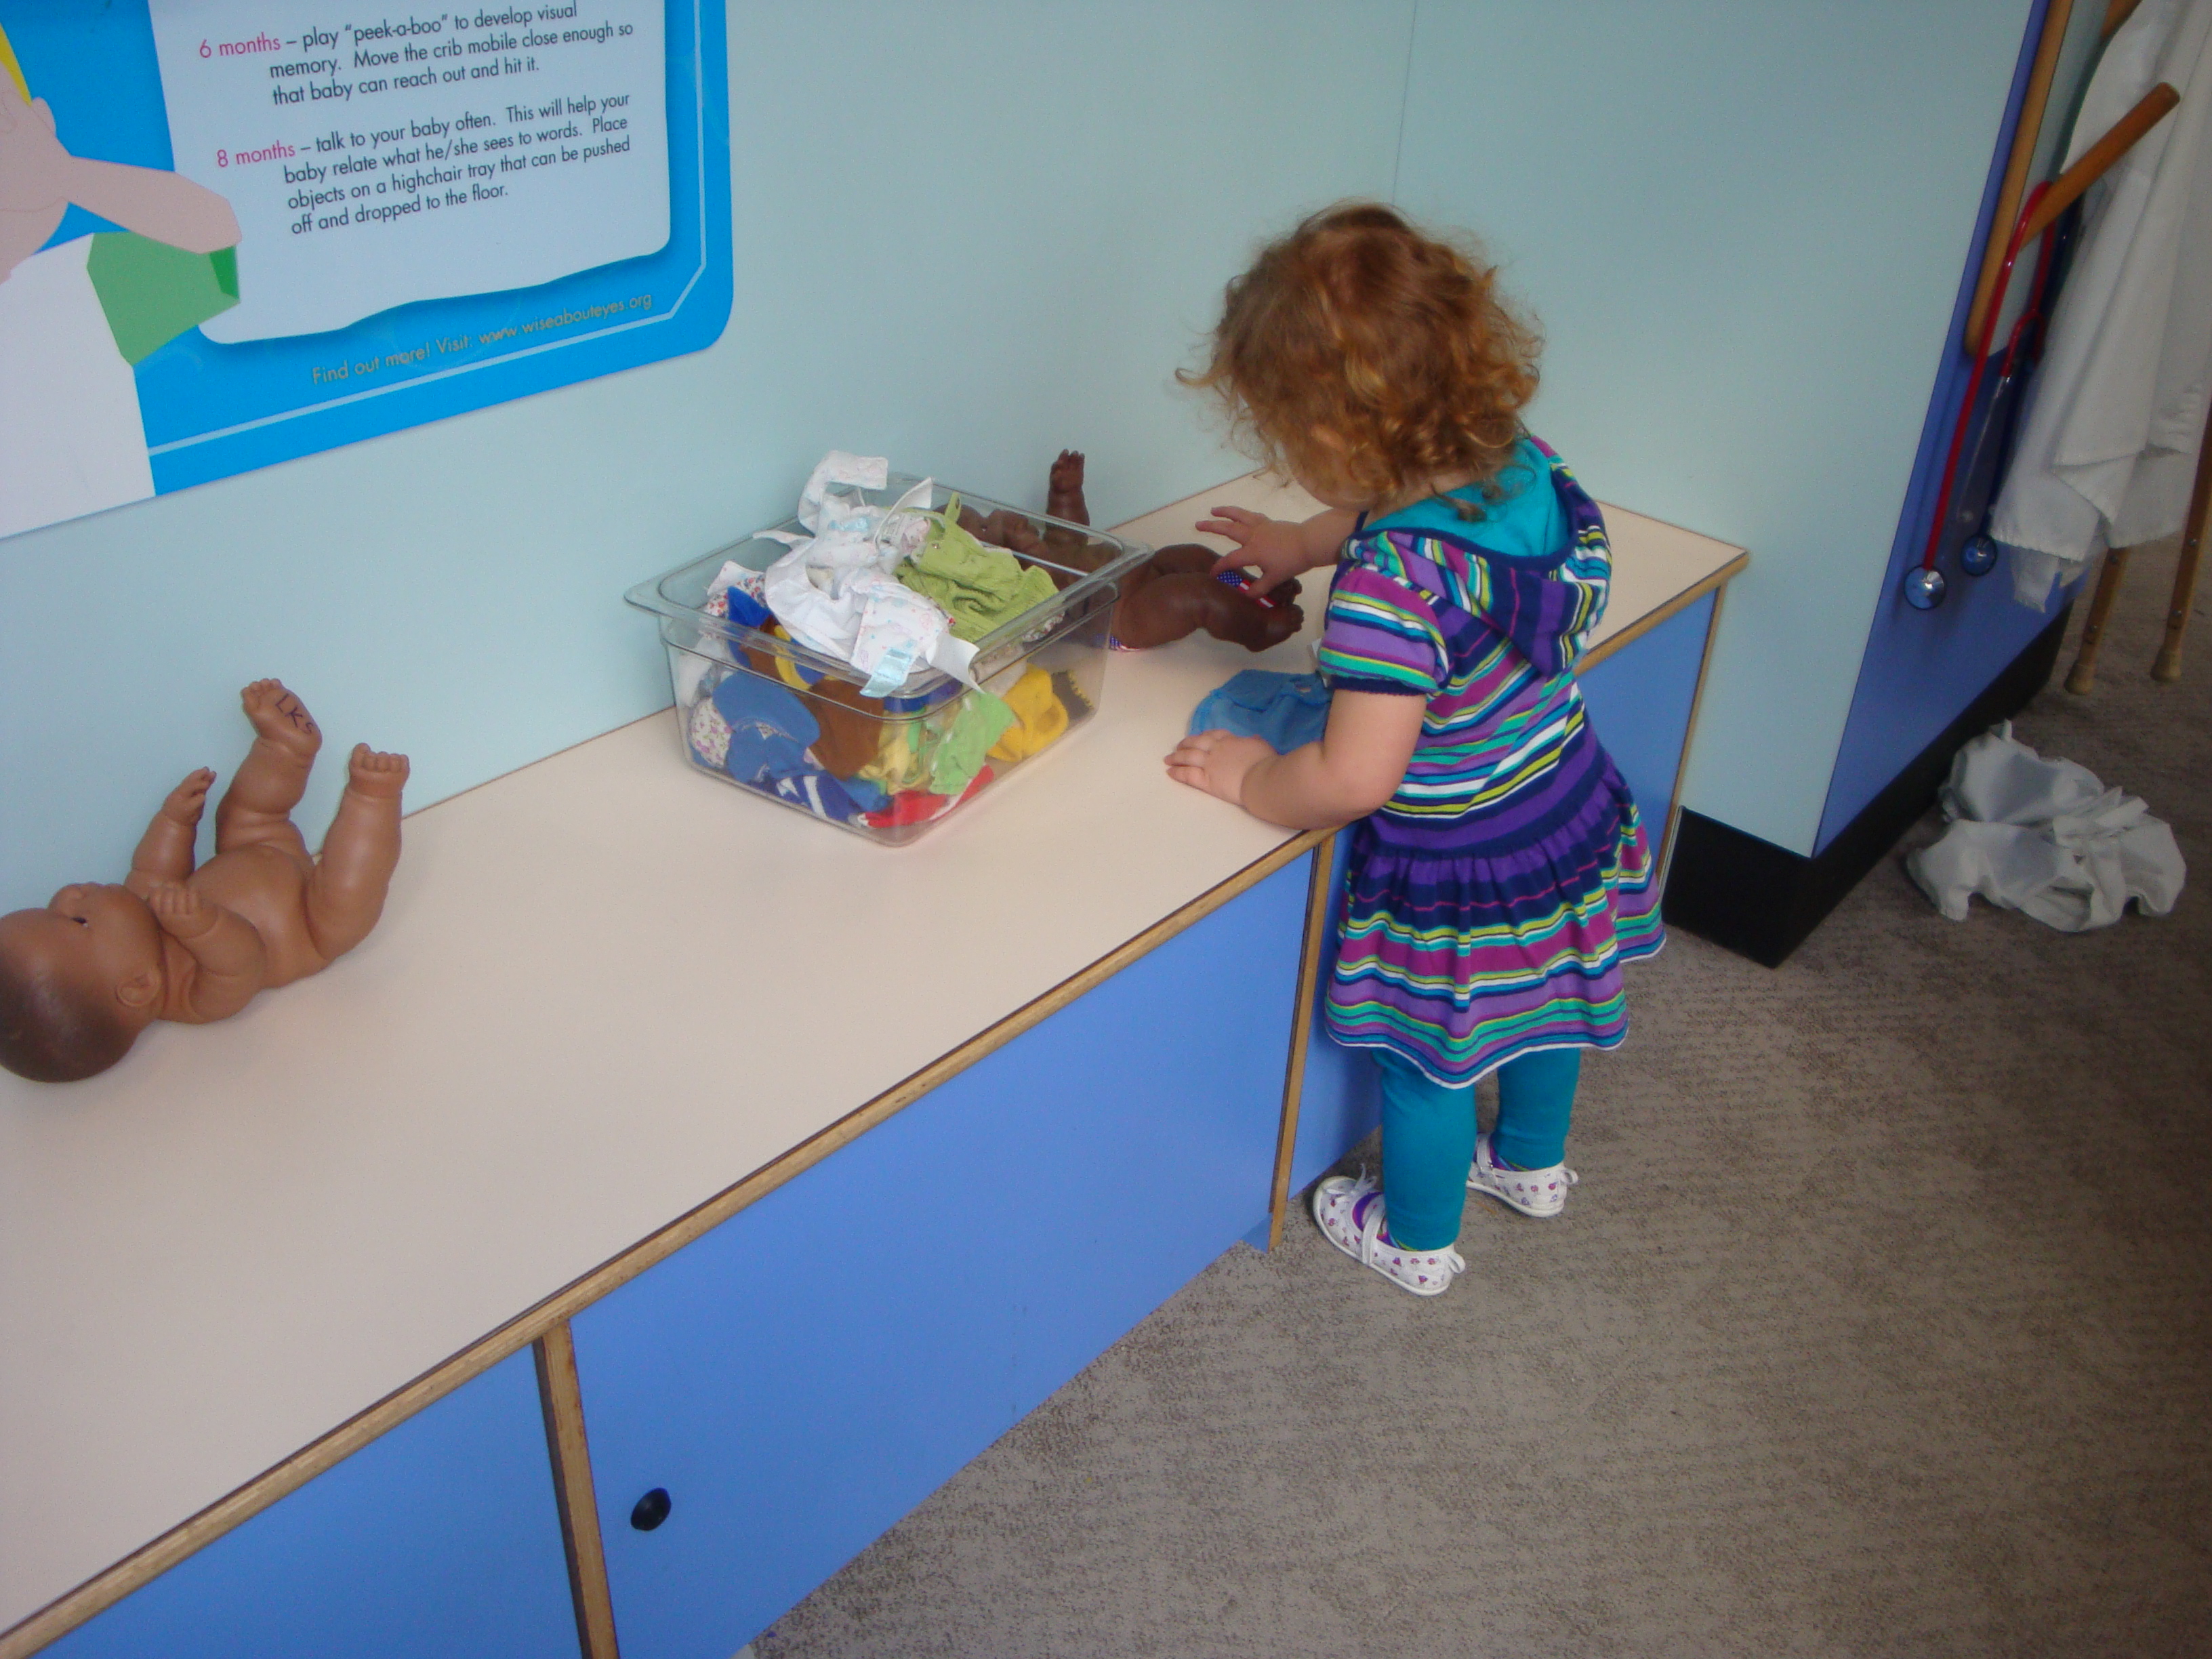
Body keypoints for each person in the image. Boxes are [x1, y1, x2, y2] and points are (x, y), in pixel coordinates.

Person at [1165, 203, 1662, 1296]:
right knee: (1547, 1003)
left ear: (1332, 439)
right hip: (1564, 801)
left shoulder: (1389, 591)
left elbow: (1353, 776)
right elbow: (1393, 512)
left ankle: (1415, 1235)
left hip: (1460, 862)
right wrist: (1300, 544)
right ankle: (1529, 1163)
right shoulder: (1519, 464)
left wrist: (1252, 776)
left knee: (1429, 1058)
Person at [0, 681, 407, 1083]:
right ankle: (373, 797)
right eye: (77, 921)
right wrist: (202, 926)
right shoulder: (194, 998)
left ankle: (286, 749)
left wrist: (175, 822)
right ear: (139, 986)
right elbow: (245, 962)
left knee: (243, 815)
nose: (68, 895)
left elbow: (153, 869)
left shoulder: (140, 913)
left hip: (255, 846)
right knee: (348, 893)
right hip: (312, 922)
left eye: (51, 905)